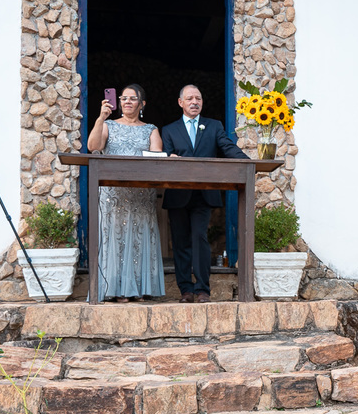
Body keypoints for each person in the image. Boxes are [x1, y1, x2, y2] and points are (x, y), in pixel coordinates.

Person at [161, 84, 249, 303]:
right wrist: (169, 157)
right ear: (180, 102)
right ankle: (185, 290)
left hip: (204, 192)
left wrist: (248, 163)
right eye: (190, 98)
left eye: (198, 98)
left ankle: (202, 290)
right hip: (178, 193)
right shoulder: (169, 130)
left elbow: (227, 147)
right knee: (180, 242)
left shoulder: (213, 126)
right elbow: (164, 156)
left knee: (200, 238)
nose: (194, 102)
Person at [85, 84, 166, 303]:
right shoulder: (108, 125)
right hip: (112, 195)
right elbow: (93, 147)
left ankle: (138, 289)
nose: (127, 101)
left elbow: (156, 158)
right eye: (123, 98)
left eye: (132, 98)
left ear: (142, 104)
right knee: (115, 239)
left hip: (141, 194)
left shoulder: (151, 129)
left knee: (138, 239)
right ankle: (114, 289)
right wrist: (100, 118)